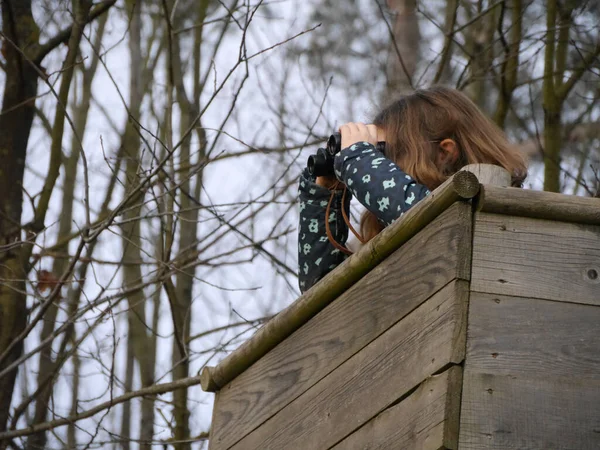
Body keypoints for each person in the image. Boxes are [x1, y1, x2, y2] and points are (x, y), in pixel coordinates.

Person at [297, 86, 528, 293]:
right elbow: (318, 295)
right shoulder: (388, 239)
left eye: (387, 155)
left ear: (444, 153)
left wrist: (358, 158)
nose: (380, 167)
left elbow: (434, 224)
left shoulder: (492, 215)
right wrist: (324, 197)